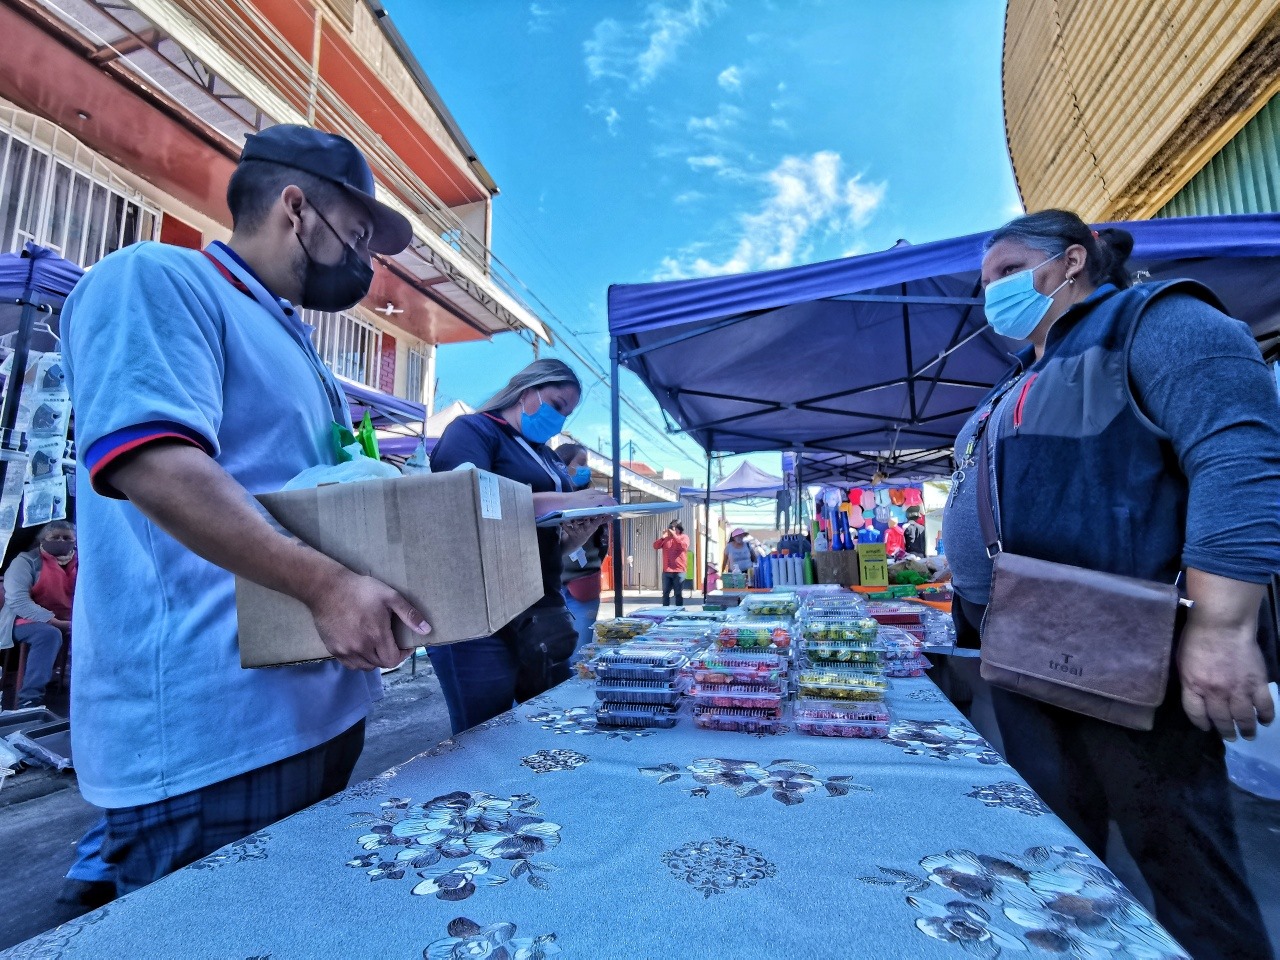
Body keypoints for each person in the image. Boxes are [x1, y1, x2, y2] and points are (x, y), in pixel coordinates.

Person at [62, 125, 430, 896]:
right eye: (356, 236)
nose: (366, 263)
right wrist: (329, 588)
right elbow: (155, 467)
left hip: (317, 706)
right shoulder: (158, 279)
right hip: (216, 734)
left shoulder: (295, 343)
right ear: (294, 209)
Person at [944, 209, 1280, 960]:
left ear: (1070, 262)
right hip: (1030, 646)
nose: (990, 293)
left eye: (1004, 272)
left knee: (1185, 868)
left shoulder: (1157, 321)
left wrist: (1222, 628)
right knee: (1056, 858)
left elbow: (1238, 459)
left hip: (1130, 656)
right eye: (984, 282)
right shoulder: (1026, 373)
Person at [428, 360, 613, 732]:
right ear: (527, 392)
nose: (560, 419)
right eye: (557, 405)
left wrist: (581, 529)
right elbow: (467, 501)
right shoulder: (473, 430)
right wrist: (568, 502)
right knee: (483, 738)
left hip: (539, 612)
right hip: (481, 617)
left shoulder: (545, 455)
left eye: (568, 413)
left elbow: (548, 544)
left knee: (547, 728)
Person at [1, 521, 77, 708]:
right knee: (48, 634)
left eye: (67, 538)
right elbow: (18, 601)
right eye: (55, 537)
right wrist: (57, 622)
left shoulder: (81, 563)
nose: (61, 541)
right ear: (43, 540)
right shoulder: (26, 561)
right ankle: (30, 698)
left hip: (67, 619)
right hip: (21, 619)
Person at [556, 442, 609, 652]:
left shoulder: (595, 500)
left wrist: (590, 566)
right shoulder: (546, 498)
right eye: (581, 463)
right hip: (550, 588)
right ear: (563, 466)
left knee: (579, 655)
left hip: (583, 585)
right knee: (553, 654)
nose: (586, 469)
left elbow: (602, 544)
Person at [654, 521, 690, 606]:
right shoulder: (666, 539)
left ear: (679, 529)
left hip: (679, 570)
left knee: (678, 593)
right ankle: (665, 610)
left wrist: (674, 535)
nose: (671, 530)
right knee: (665, 593)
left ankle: (679, 611)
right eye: (670, 528)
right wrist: (662, 538)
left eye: (674, 528)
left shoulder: (684, 537)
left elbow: (683, 546)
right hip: (667, 571)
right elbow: (656, 546)